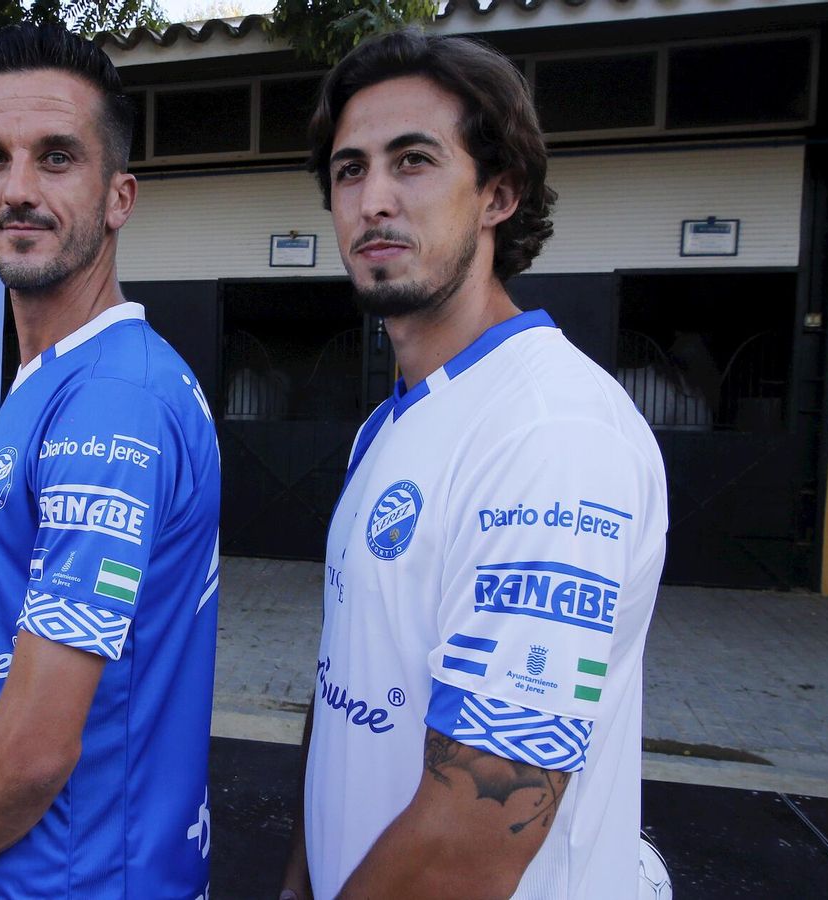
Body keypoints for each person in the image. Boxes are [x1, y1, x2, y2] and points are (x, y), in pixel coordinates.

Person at [279, 30, 668, 900]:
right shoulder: (391, 422)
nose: (372, 198)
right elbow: (350, 679)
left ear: (497, 194)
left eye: (412, 162)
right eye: (349, 170)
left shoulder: (551, 433)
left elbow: (479, 835)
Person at [0, 23, 222, 900]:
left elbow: (38, 748)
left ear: (119, 196)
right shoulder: (66, 377)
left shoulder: (111, 402)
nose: (16, 189)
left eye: (55, 158)